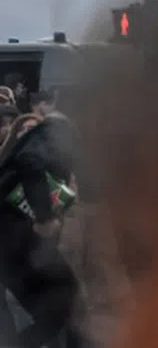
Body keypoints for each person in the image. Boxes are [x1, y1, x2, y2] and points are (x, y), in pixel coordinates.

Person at [0, 104, 89, 348]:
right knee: (62, 294)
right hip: (13, 240)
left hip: (17, 243)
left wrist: (57, 206)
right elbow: (31, 164)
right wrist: (45, 216)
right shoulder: (53, 132)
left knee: (59, 298)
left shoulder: (33, 145)